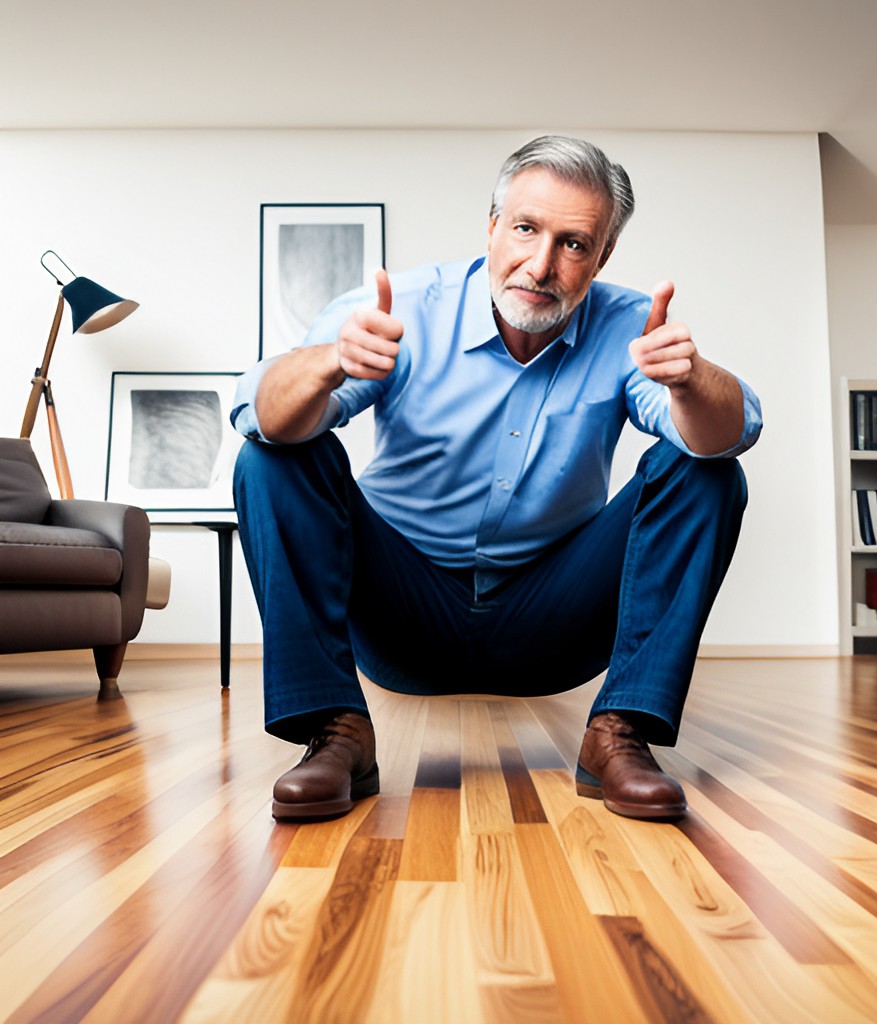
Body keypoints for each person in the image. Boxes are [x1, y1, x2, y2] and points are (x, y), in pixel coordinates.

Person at [231, 135, 762, 824]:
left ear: (602, 257)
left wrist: (691, 381)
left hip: (552, 618)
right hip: (401, 610)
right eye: (524, 228)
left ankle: (620, 734)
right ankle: (336, 734)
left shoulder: (630, 326)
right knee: (270, 453)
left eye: (574, 244)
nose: (540, 265)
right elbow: (259, 413)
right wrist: (331, 361)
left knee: (708, 472)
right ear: (491, 226)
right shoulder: (405, 308)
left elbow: (733, 430)